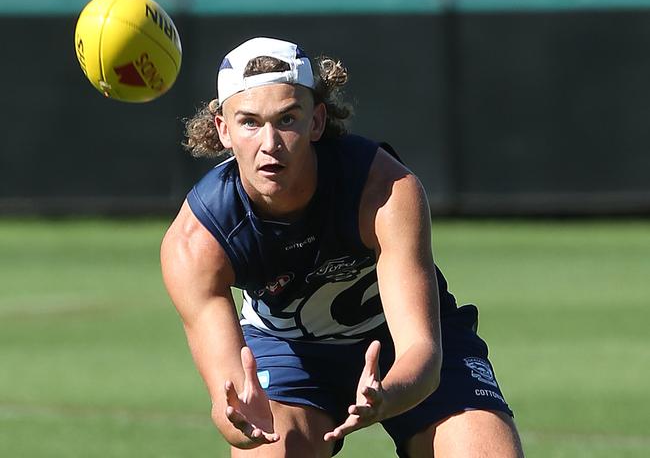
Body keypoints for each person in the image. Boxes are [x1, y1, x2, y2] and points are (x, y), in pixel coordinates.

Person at [161, 36, 524, 457]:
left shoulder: (383, 190)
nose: (270, 143)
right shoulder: (197, 240)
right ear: (223, 129)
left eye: (287, 119)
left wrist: (387, 396)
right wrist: (243, 422)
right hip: (288, 352)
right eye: (249, 123)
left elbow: (422, 353)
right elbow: (228, 408)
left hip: (395, 344)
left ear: (317, 121)